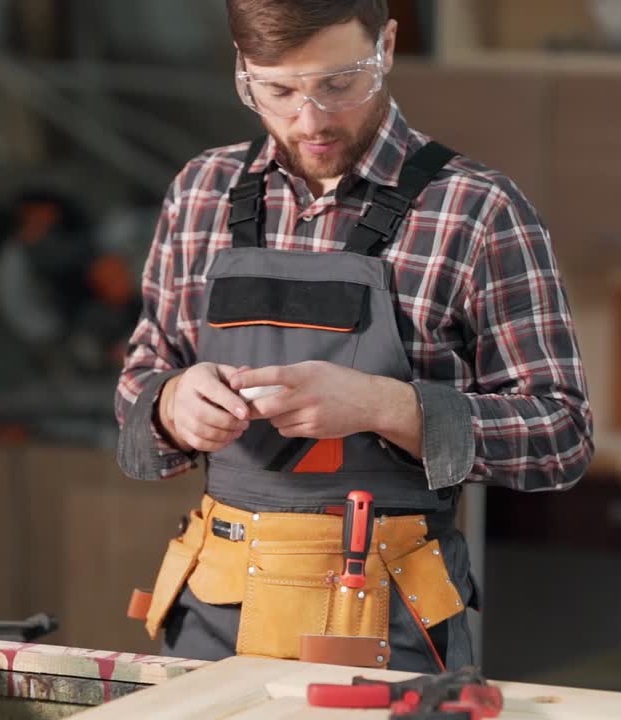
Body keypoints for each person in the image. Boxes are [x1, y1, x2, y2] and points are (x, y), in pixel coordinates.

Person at [115, 0, 593, 673]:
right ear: (242, 71)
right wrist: (171, 402)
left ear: (387, 46)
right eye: (276, 90)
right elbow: (142, 377)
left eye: (338, 84)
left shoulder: (479, 212)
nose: (308, 120)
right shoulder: (202, 192)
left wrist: (383, 407)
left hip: (387, 621)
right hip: (214, 615)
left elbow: (561, 435)